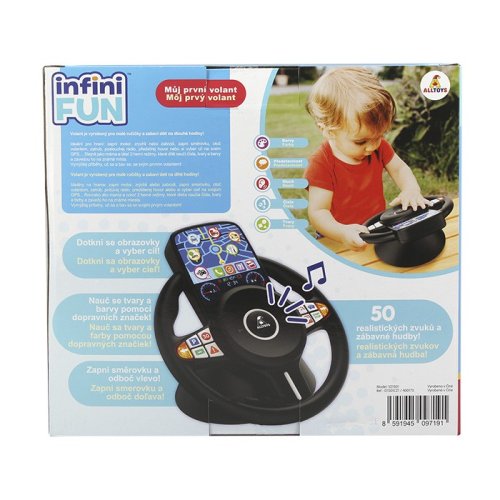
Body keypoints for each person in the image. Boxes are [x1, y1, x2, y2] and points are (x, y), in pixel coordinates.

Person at [304, 67, 428, 251]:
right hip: (338, 240)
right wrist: (342, 233)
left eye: (379, 136)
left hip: (376, 229)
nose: (372, 146)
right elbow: (318, 212)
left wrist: (411, 189)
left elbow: (399, 169)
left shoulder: (379, 147)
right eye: (360, 141)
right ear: (328, 130)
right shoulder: (321, 164)